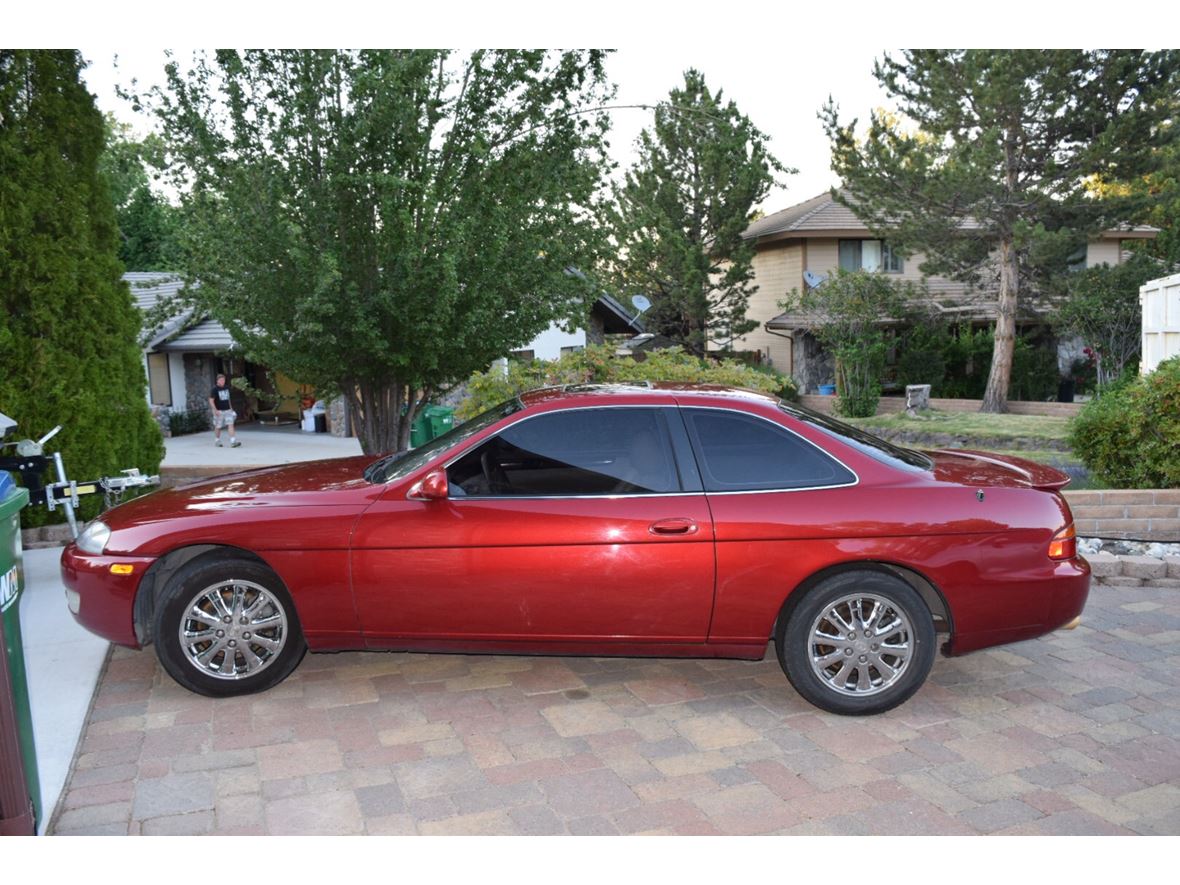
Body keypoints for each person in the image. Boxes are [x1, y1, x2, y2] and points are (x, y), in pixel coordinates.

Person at [209, 373, 241, 447]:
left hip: (228, 410)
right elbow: (211, 400)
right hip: (219, 411)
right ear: (217, 381)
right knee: (218, 426)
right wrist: (215, 410)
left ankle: (233, 441)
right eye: (221, 380)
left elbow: (228, 399)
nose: (223, 381)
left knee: (231, 424)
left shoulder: (226, 388)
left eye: (224, 380)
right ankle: (217, 440)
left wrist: (231, 409)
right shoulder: (214, 389)